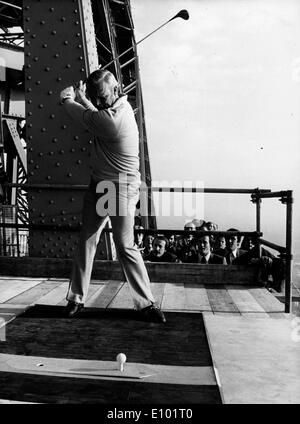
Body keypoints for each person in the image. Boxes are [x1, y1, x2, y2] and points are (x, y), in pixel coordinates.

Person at [59, 69, 165, 323]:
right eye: (96, 98)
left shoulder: (114, 120)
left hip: (118, 187)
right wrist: (86, 98)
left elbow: (86, 117)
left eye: (102, 97)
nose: (99, 102)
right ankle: (76, 298)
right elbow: (95, 112)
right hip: (100, 183)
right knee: (87, 239)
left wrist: (67, 100)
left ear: (116, 91)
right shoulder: (115, 107)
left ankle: (146, 303)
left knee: (124, 244)